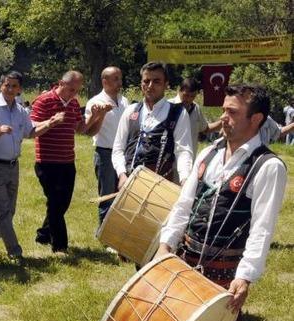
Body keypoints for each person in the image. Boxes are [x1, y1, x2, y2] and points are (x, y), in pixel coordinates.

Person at [85, 84, 287, 321]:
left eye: (233, 112)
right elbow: (183, 205)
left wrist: (245, 275)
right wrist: (166, 246)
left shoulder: (267, 167)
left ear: (257, 119)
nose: (223, 118)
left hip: (225, 266)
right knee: (151, 319)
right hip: (185, 254)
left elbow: (262, 229)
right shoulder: (209, 155)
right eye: (224, 110)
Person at [0, 71, 64, 259]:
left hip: (12, 167)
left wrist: (50, 123)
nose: (10, 89)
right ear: (1, 86)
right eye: (7, 85)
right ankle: (15, 252)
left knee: (9, 211)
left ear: (19, 89)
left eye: (14, 86)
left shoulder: (21, 111)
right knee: (3, 213)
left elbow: (30, 132)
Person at [29, 70, 109, 254]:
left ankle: (43, 234)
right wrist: (51, 122)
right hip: (47, 161)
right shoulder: (44, 101)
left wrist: (96, 116)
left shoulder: (73, 104)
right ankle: (60, 246)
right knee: (56, 203)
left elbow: (80, 129)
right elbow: (31, 129)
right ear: (60, 83)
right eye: (71, 89)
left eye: (77, 90)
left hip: (67, 161)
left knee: (62, 203)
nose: (74, 93)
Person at [111, 62, 192, 188]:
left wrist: (185, 180)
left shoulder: (178, 113)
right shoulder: (131, 110)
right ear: (141, 83)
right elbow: (118, 148)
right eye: (146, 81)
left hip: (161, 187)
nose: (150, 86)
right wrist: (121, 174)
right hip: (128, 183)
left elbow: (183, 152)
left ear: (166, 85)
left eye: (156, 81)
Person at [85, 66, 130, 224]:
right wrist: (101, 115)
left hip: (123, 154)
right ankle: (104, 234)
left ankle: (117, 231)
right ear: (105, 81)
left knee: (123, 194)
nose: (120, 82)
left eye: (120, 78)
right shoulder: (95, 102)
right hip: (105, 154)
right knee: (107, 196)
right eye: (116, 79)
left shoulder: (124, 101)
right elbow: (89, 132)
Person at [170, 78, 209, 161]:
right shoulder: (168, 106)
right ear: (179, 91)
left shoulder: (196, 108)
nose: (189, 99)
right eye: (186, 95)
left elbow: (205, 128)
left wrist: (221, 122)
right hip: (169, 162)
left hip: (189, 161)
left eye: (192, 96)